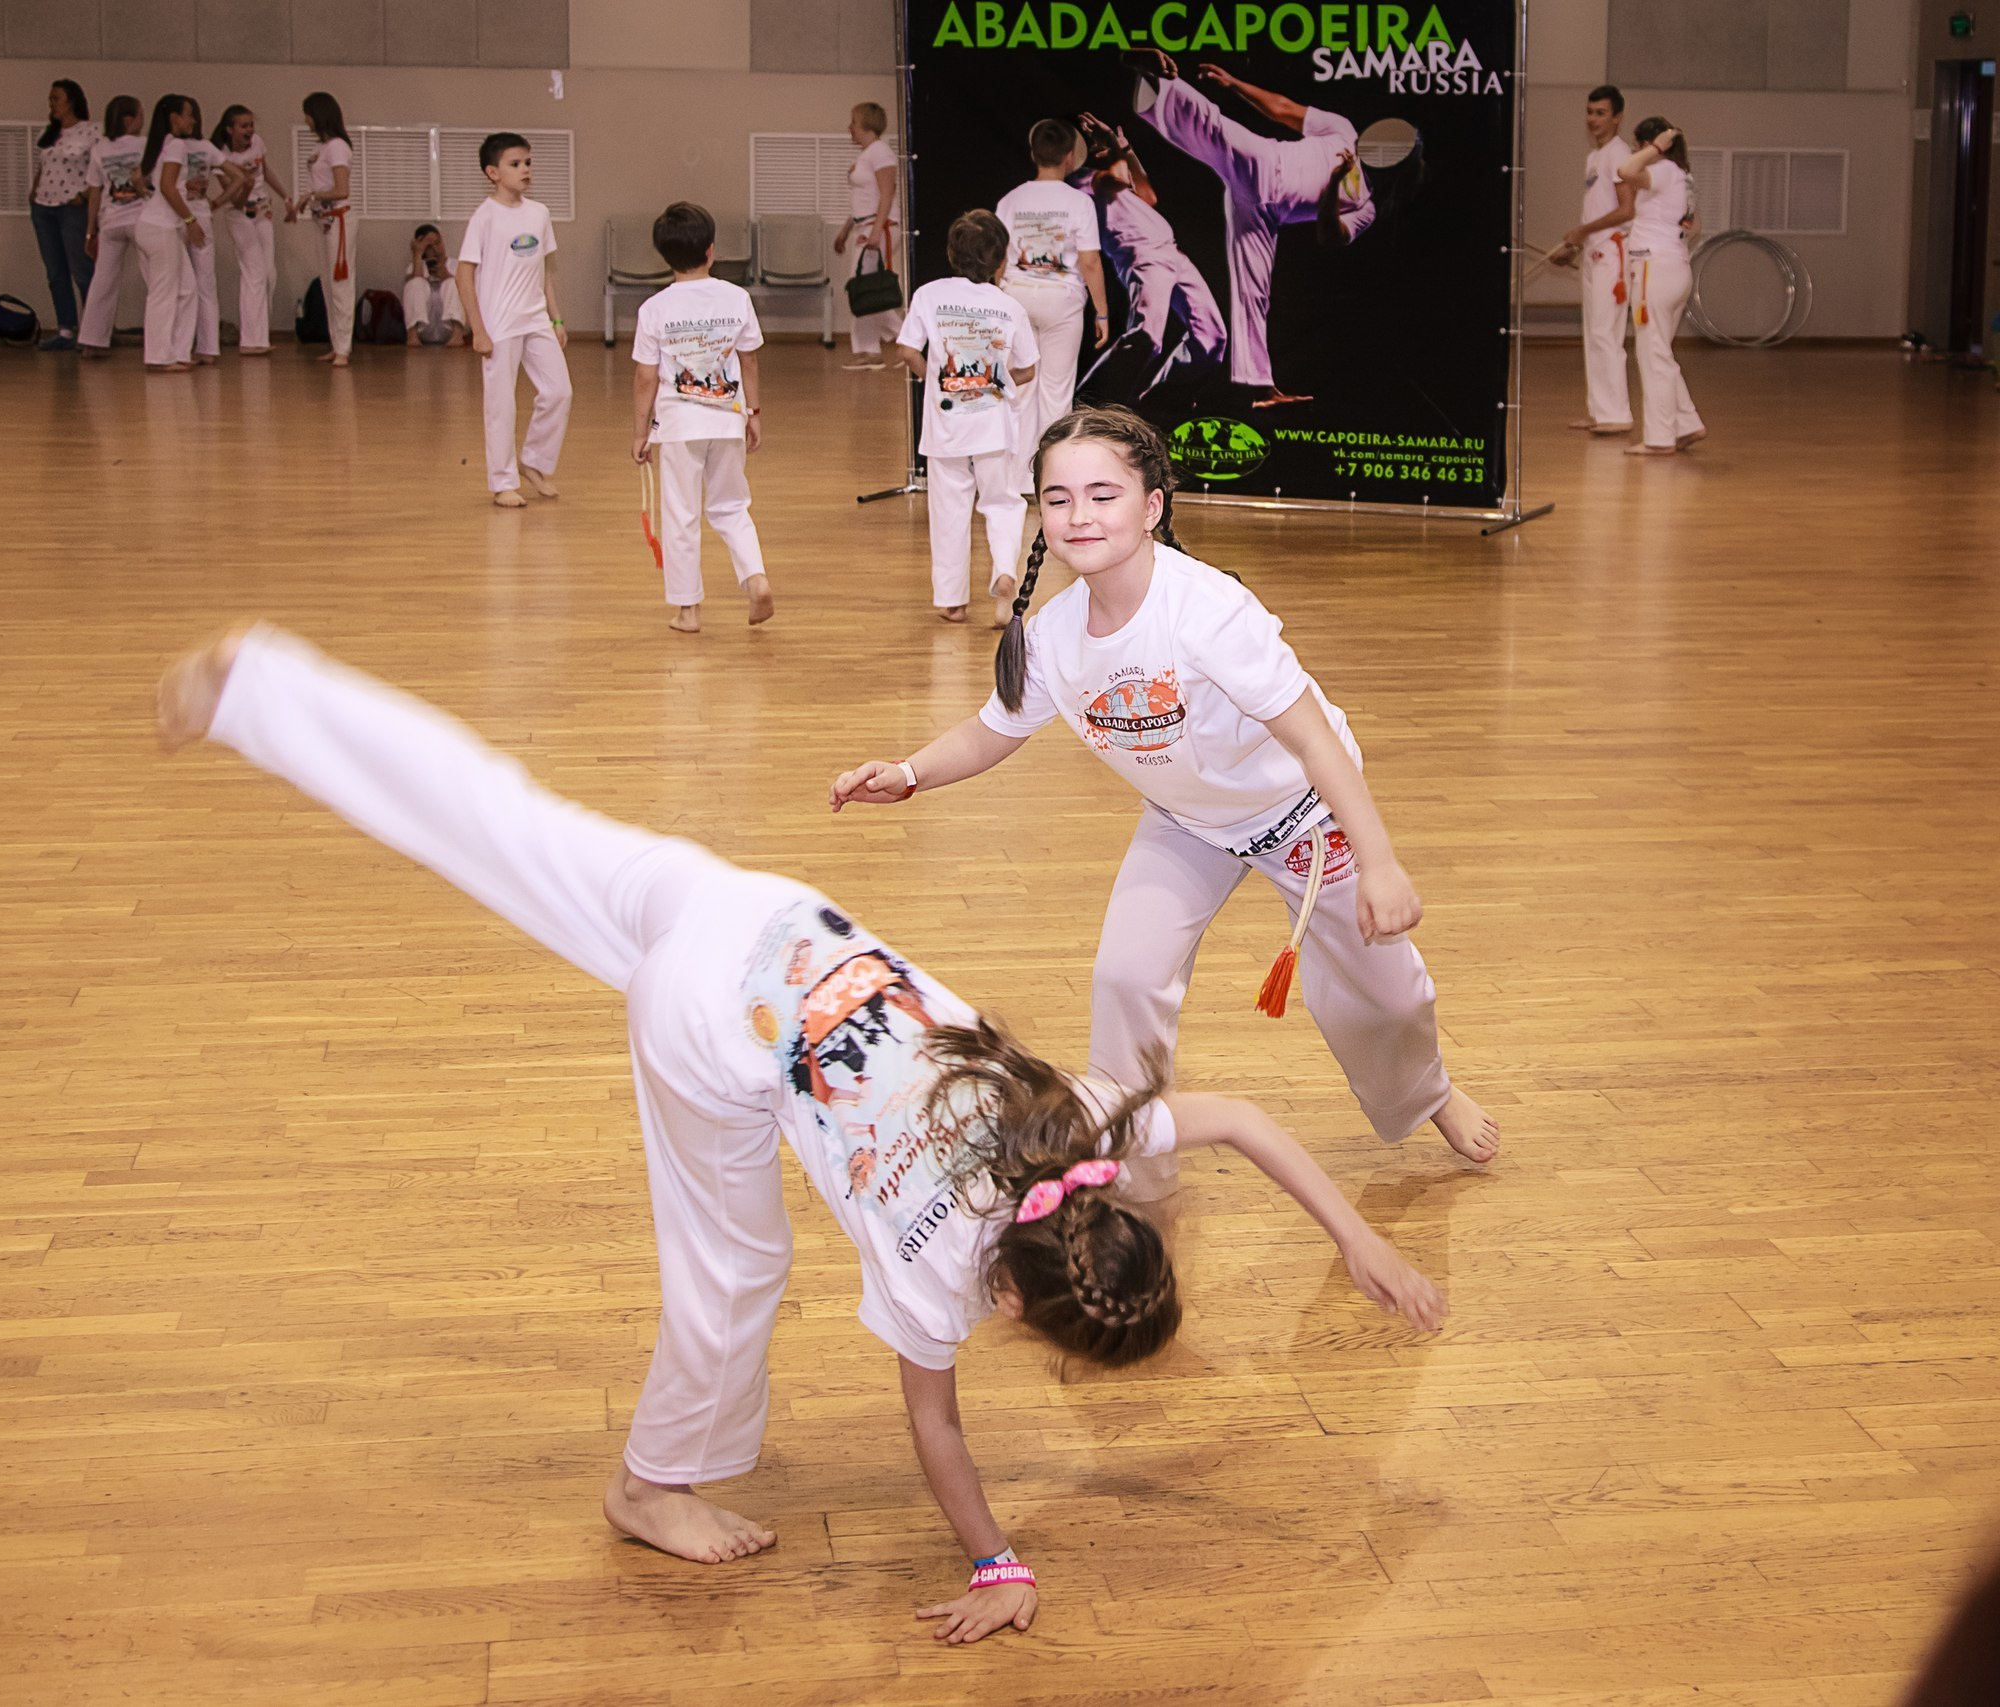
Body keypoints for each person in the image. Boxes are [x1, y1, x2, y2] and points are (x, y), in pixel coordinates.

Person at [156, 621, 1451, 1644]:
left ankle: (261, 691)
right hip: (713, 1016)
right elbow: (935, 1432)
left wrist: (1355, 1241)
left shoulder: (1068, 1129)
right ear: (1013, 1305)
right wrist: (997, 1559)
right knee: (738, 1270)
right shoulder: (941, 1276)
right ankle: (649, 1481)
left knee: (511, 818)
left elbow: (1242, 1122)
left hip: (764, 910)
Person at [830, 407, 1502, 1191]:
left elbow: (1317, 741)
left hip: (1304, 816)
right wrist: (908, 774)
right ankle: (1134, 1167)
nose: (1079, 514)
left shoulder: (1208, 612)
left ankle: (1431, 1094)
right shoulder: (1052, 636)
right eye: (1058, 497)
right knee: (1125, 977)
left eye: (1103, 494)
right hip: (1189, 823)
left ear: (1151, 506)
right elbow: (992, 731)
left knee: (1385, 996)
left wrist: (1381, 863)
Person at [1128, 51, 1381, 408]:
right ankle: (1157, 78)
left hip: (1265, 216)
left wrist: (1334, 186)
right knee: (1213, 128)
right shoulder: (1344, 131)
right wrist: (1234, 84)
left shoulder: (1366, 206)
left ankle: (1258, 387)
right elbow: (1283, 108)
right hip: (1264, 165)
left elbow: (1330, 236)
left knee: (1254, 297)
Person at [630, 201, 774, 634]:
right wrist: (753, 413)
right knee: (731, 505)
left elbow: (645, 377)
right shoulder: (737, 298)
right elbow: (749, 362)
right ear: (711, 251)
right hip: (727, 419)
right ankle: (755, 577)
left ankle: (688, 610)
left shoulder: (654, 308)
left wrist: (640, 432)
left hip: (678, 427)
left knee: (681, 515)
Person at [892, 211, 1039, 626]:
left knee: (948, 509)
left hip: (945, 425)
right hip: (994, 423)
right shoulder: (1009, 307)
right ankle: (1005, 573)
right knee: (1003, 503)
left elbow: (906, 350)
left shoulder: (928, 295)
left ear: (951, 254)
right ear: (1001, 262)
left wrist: (937, 380)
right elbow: (1028, 368)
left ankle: (952, 601)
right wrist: (998, 380)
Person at [1073, 111, 1224, 397]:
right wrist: (1112, 145)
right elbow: (1117, 176)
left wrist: (1126, 149)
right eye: (1090, 141)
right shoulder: (1082, 180)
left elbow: (1148, 196)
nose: (1097, 144)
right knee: (1145, 337)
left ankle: (1156, 401)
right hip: (1144, 257)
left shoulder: (1113, 181)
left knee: (1211, 338)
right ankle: (1086, 405)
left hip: (1173, 254)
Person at [994, 119, 1109, 493]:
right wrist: (1103, 312)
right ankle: (1050, 482)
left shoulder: (1010, 200)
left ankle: (1016, 480)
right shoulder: (1079, 202)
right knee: (1057, 392)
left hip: (1017, 299)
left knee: (1020, 389)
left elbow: (997, 259)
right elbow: (1091, 262)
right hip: (1062, 302)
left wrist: (998, 304)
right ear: (1069, 156)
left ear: (1033, 154)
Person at [458, 132, 570, 510]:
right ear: (493, 172)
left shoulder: (539, 214)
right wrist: (478, 329)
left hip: (536, 320)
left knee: (559, 392)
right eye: (515, 164)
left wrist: (556, 321)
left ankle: (534, 461)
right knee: (501, 405)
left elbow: (546, 271)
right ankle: (503, 481)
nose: (525, 170)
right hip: (499, 326)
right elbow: (463, 274)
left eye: (528, 163)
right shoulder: (484, 217)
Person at [1616, 118, 1706, 457]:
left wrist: (1656, 147)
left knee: (1653, 355)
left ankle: (1659, 438)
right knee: (1659, 352)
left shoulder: (1665, 169)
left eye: (1640, 145)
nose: (1639, 152)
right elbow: (1695, 227)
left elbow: (1626, 170)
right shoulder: (1684, 177)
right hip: (1673, 269)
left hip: (1654, 270)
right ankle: (1686, 423)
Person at [1551, 86, 1637, 436]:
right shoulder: (1594, 157)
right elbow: (1599, 206)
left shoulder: (1621, 155)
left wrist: (1583, 230)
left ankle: (1616, 414)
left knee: (1606, 333)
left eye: (1601, 113)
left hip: (1613, 254)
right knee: (1593, 333)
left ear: (1617, 117)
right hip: (1593, 253)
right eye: (1590, 112)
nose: (1593, 119)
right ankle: (1599, 410)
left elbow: (1627, 209)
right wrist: (1573, 245)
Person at [135, 93, 210, 373]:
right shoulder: (176, 144)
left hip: (154, 226)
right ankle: (158, 356)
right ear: (174, 118)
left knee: (187, 289)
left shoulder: (160, 145)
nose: (193, 119)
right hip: (161, 228)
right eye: (189, 113)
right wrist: (190, 219)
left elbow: (145, 180)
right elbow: (167, 187)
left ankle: (178, 352)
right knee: (163, 293)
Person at [211, 105, 292, 357]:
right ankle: (250, 340)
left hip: (263, 212)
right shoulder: (221, 156)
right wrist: (244, 184)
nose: (249, 130)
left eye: (251, 125)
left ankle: (260, 335)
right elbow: (234, 200)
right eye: (243, 126)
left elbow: (265, 171)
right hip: (239, 215)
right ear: (230, 129)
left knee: (269, 274)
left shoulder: (257, 143)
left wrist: (286, 197)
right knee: (253, 272)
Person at [27, 80, 100, 350]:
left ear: (71, 101)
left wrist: (83, 196)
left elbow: (98, 170)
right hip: (44, 207)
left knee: (82, 270)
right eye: (50, 98)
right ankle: (66, 329)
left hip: (72, 207)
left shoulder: (91, 131)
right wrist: (34, 194)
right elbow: (44, 167)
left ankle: (93, 330)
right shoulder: (51, 134)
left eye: (56, 98)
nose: (52, 104)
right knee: (56, 271)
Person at [836, 103, 903, 370]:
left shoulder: (881, 152)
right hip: (867, 225)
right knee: (864, 287)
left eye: (853, 121)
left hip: (881, 227)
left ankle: (905, 339)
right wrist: (845, 231)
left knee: (864, 287)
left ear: (865, 123)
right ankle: (871, 351)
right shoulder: (868, 154)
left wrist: (876, 232)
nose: (849, 127)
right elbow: (863, 202)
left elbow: (887, 194)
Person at [77, 95, 145, 358]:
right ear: (130, 119)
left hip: (111, 221)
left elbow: (95, 193)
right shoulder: (145, 145)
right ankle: (167, 340)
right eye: (140, 115)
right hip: (140, 219)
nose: (142, 120)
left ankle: (92, 342)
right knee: (157, 280)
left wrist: (90, 230)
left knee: (102, 282)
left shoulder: (100, 148)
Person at [292, 93, 355, 368]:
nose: (305, 119)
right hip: (323, 220)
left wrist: (312, 195)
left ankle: (344, 347)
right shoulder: (325, 146)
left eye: (307, 113)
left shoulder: (338, 146)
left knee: (341, 284)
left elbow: (342, 189)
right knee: (327, 285)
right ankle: (335, 342)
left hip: (339, 220)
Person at [401, 225, 467, 346]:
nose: (436, 249)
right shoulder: (415, 266)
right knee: (415, 282)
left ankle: (457, 336)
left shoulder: (456, 265)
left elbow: (468, 290)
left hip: (448, 326)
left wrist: (446, 275)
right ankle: (412, 336)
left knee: (453, 283)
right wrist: (417, 254)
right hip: (424, 327)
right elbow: (412, 283)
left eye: (438, 243)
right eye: (429, 247)